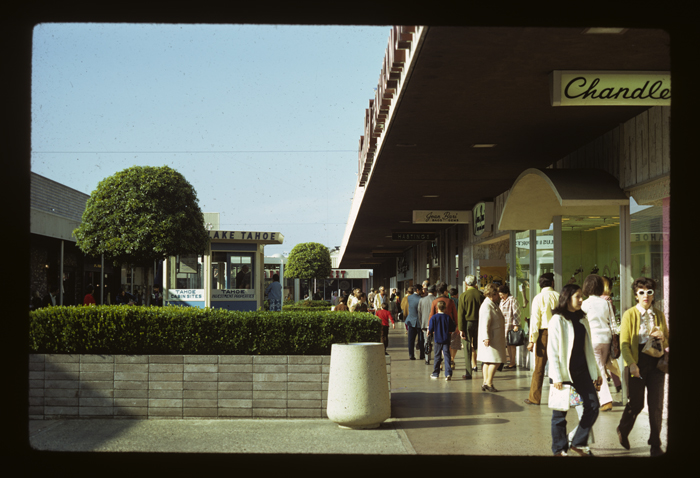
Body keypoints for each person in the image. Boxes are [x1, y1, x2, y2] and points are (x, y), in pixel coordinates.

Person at [616, 277, 669, 457]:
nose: (645, 295)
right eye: (641, 292)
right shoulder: (629, 314)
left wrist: (663, 337)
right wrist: (631, 364)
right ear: (636, 295)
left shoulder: (659, 315)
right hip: (636, 362)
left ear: (653, 295)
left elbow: (667, 340)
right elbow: (624, 343)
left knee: (656, 405)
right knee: (637, 403)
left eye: (649, 292)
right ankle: (623, 429)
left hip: (656, 363)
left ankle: (655, 444)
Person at [548, 283, 602, 456]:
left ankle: (578, 442)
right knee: (560, 414)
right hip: (563, 373)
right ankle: (559, 449)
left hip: (581, 371)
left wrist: (597, 373)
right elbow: (553, 350)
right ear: (567, 297)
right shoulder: (557, 319)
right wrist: (556, 376)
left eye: (581, 296)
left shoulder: (582, 318)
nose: (581, 300)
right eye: (577, 296)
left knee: (593, 406)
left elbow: (588, 349)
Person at [581, 274, 616, 412]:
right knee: (601, 367)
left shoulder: (585, 304)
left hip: (593, 339)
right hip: (606, 338)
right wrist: (614, 338)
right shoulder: (606, 302)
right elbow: (612, 322)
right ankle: (598, 398)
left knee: (599, 368)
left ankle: (606, 400)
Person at [524, 272, 560, 405]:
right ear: (552, 283)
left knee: (539, 366)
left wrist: (532, 340)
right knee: (559, 364)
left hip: (543, 333)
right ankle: (563, 395)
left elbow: (535, 320)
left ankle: (534, 397)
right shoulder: (558, 296)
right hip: (558, 333)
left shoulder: (538, 298)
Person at [477, 283, 507, 392]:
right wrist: (486, 337)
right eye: (496, 294)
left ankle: (485, 382)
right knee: (496, 360)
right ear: (492, 294)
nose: (498, 296)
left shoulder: (491, 304)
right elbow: (485, 323)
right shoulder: (487, 306)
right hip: (492, 338)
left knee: (488, 361)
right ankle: (488, 383)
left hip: (494, 337)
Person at [458, 275, 483, 380]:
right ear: (476, 283)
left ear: (466, 283)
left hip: (467, 324)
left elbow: (461, 313)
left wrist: (461, 329)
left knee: (467, 348)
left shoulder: (463, 296)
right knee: (480, 347)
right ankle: (483, 368)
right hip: (479, 323)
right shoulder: (481, 295)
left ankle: (468, 372)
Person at [430, 283, 459, 369]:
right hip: (448, 328)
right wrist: (457, 325)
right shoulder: (450, 301)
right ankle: (449, 363)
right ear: (445, 291)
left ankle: (439, 364)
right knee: (447, 346)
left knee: (438, 348)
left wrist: (429, 327)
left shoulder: (435, 301)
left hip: (437, 328)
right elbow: (455, 315)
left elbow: (431, 315)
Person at [601, 276, 622, 393]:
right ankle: (617, 382)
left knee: (605, 361)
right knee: (609, 361)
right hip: (607, 333)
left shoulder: (602, 300)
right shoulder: (608, 300)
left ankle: (613, 382)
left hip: (602, 334)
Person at [429, 300, 456, 381]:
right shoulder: (448, 317)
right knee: (447, 356)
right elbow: (452, 328)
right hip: (446, 339)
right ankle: (448, 373)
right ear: (445, 308)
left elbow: (430, 328)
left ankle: (435, 373)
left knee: (437, 356)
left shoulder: (434, 317)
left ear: (437, 308)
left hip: (437, 339)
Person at [499, 284, 521, 369]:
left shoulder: (512, 300)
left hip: (510, 324)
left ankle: (513, 361)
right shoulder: (502, 301)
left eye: (502, 295)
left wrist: (516, 324)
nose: (501, 297)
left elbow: (516, 312)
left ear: (507, 293)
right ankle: (510, 361)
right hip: (504, 325)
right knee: (507, 344)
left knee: (512, 344)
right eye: (500, 295)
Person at [418, 285, 437, 365]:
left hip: (425, 324)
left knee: (426, 341)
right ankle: (437, 358)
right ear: (435, 292)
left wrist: (421, 323)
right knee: (436, 342)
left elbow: (419, 313)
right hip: (436, 324)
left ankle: (427, 359)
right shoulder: (436, 300)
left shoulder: (422, 300)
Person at [406, 285, 424, 360]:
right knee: (421, 340)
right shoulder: (421, 299)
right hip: (419, 322)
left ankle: (411, 355)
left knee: (411, 340)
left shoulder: (409, 298)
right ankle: (422, 355)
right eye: (421, 290)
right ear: (417, 290)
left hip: (411, 321)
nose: (422, 291)